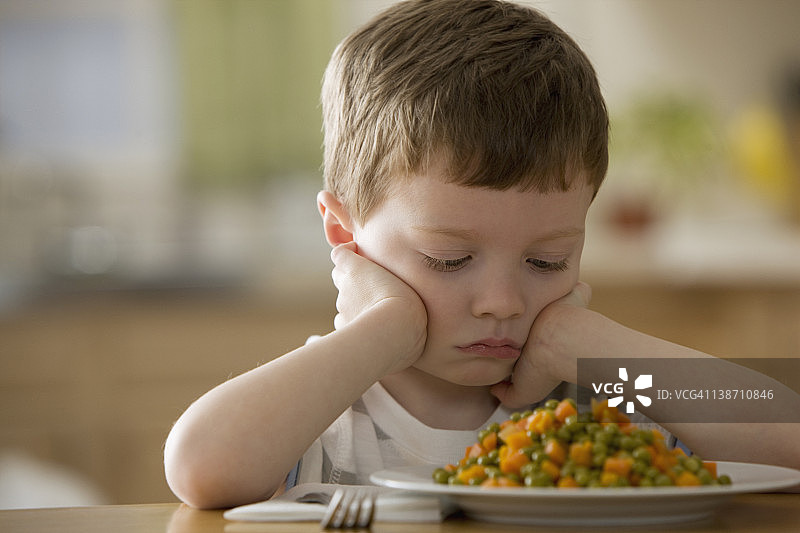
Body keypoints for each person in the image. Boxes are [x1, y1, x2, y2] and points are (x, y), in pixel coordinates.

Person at [164, 0, 800, 509]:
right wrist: (384, 332)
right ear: (343, 235)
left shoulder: (605, 399)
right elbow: (200, 469)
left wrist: (585, 343)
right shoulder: (322, 407)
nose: (503, 303)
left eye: (546, 261)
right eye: (447, 259)